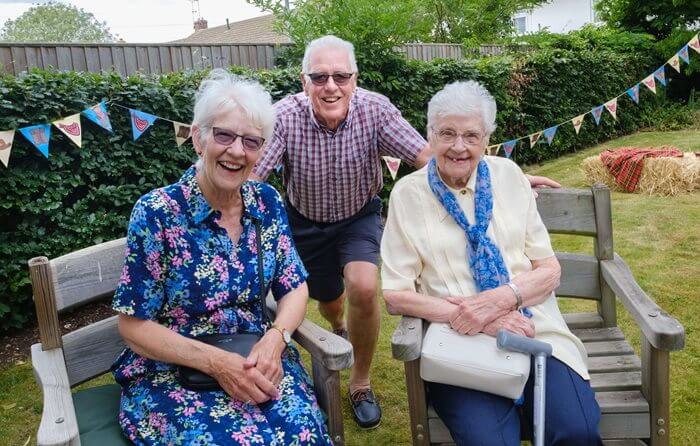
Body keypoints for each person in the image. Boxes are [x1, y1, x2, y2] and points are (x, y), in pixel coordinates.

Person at [252, 35, 560, 429]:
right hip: (303, 221)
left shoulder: (375, 109)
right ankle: (337, 322)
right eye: (320, 77)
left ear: (354, 78)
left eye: (341, 76)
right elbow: (253, 176)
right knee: (328, 298)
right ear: (304, 81)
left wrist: (494, 176)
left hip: (357, 217)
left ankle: (360, 382)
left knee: (363, 285)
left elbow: (427, 156)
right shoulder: (284, 117)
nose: (331, 86)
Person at [111, 69, 332, 445]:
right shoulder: (158, 213)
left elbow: (295, 287)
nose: (236, 151)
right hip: (177, 371)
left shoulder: (267, 202)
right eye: (224, 135)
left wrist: (276, 338)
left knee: (303, 432)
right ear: (198, 138)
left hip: (259, 356)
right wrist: (217, 363)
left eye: (251, 141)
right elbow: (133, 326)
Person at [381, 81, 602, 445]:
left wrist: (498, 302)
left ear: (487, 139)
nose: (458, 146)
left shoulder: (509, 176)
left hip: (534, 327)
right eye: (447, 133)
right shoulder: (408, 194)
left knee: (575, 430)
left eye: (471, 135)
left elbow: (549, 270)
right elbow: (396, 295)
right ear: (430, 135)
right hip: (459, 340)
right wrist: (477, 318)